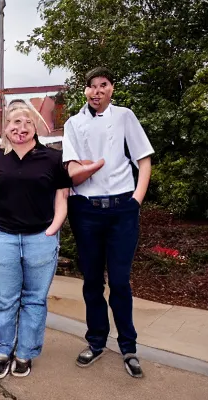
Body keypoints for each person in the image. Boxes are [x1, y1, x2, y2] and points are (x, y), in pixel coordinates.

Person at [62, 66, 154, 378]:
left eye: (104, 85)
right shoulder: (73, 124)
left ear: (112, 88)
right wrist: (90, 167)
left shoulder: (125, 116)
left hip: (121, 209)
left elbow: (143, 158)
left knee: (118, 281)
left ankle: (128, 347)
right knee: (91, 282)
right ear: (85, 91)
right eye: (92, 86)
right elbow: (72, 167)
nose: (97, 91)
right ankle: (96, 342)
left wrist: (136, 200)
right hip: (86, 210)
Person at [0, 100, 71, 379]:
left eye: (28, 122)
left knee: (35, 301)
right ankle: (3, 352)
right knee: (4, 300)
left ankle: (25, 354)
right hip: (1, 238)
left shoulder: (51, 158)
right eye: (16, 122)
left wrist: (53, 227)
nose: (21, 127)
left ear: (36, 127)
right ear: (6, 127)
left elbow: (62, 194)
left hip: (40, 238)